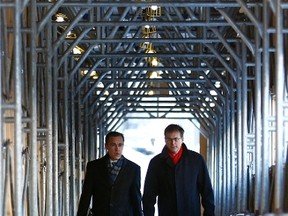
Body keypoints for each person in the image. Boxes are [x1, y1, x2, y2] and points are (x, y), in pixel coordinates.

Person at [143, 124, 215, 216]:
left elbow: (207, 191)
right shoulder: (156, 163)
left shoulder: (196, 160)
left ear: (182, 139)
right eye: (169, 139)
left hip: (191, 212)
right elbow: (149, 196)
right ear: (165, 140)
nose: (173, 143)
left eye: (176, 139)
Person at [77, 131, 143, 216]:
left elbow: (136, 199)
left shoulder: (134, 169)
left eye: (120, 145)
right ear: (106, 146)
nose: (117, 149)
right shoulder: (94, 167)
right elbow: (86, 196)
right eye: (113, 145)